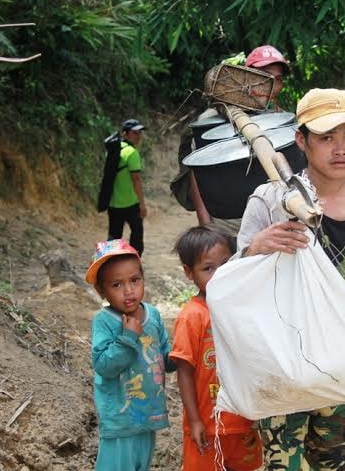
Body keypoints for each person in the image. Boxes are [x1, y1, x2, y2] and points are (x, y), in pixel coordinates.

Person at [235, 88, 345, 470]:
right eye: (326, 137)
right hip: (284, 367)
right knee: (284, 465)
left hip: (344, 365)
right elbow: (234, 279)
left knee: (336, 462)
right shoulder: (271, 200)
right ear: (301, 140)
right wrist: (256, 248)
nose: (340, 149)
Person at [170, 45, 291, 235]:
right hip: (229, 225)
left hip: (272, 223)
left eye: (277, 80)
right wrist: (206, 225)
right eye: (264, 77)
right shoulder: (213, 119)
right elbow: (197, 174)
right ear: (245, 76)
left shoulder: (282, 120)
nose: (271, 86)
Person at [170, 226, 263, 471]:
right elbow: (184, 372)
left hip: (244, 422)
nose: (219, 274)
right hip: (208, 426)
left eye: (224, 264)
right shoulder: (192, 317)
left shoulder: (241, 309)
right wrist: (194, 421)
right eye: (208, 268)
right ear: (189, 272)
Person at [86, 238, 175, 471]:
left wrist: (180, 355)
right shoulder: (104, 321)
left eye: (134, 280)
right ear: (101, 290)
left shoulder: (153, 315)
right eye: (116, 285)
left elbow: (163, 357)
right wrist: (126, 338)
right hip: (119, 419)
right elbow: (103, 365)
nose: (128, 291)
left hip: (148, 415)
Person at [97, 119, 147, 255]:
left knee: (113, 239)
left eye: (140, 132)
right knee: (137, 237)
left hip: (114, 204)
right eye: (135, 132)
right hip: (131, 203)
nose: (139, 136)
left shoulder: (112, 151)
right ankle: (134, 264)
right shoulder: (131, 152)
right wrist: (142, 204)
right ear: (125, 134)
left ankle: (110, 265)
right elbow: (136, 180)